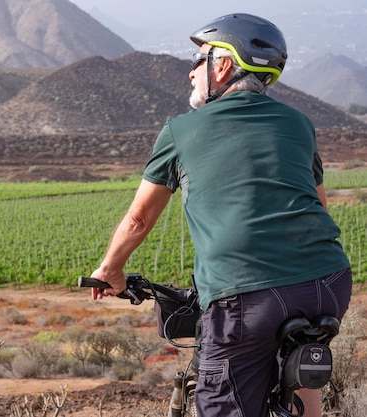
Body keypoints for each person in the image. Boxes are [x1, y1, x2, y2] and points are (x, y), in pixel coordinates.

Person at [89, 13, 352, 417]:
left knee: (222, 404)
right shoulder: (299, 124)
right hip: (328, 282)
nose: (191, 72)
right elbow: (317, 205)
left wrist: (110, 271)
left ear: (224, 65)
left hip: (248, 293)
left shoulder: (182, 130)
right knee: (298, 373)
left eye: (198, 60)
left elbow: (139, 218)